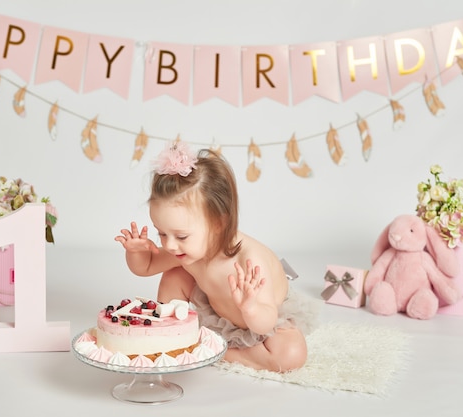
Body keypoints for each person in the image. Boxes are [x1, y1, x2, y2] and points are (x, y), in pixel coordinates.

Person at [115, 142, 317, 372]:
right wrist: (135, 252)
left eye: (181, 235)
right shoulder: (185, 250)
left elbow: (266, 322)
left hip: (260, 319)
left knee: (291, 355)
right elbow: (147, 266)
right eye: (161, 233)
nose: (169, 245)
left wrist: (251, 308)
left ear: (218, 223)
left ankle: (213, 348)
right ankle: (173, 333)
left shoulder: (248, 263)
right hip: (218, 310)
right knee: (175, 275)